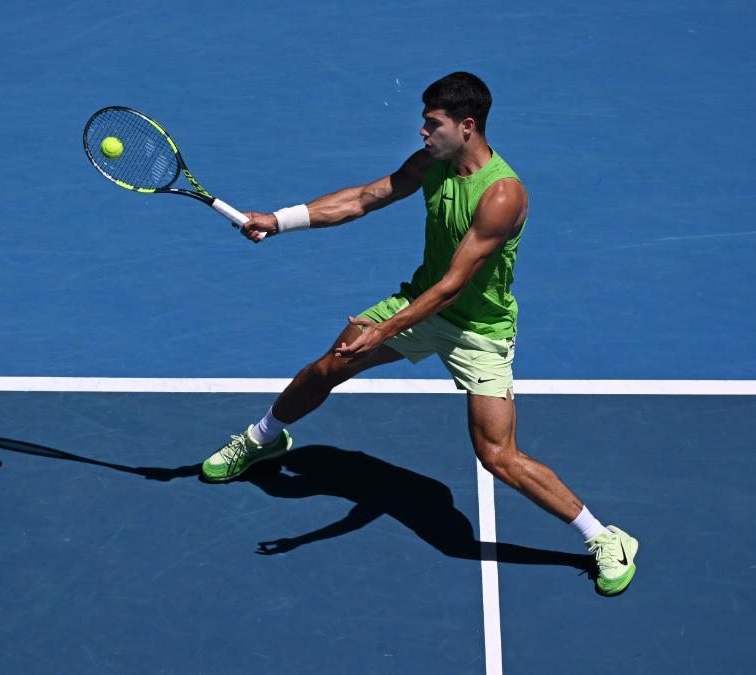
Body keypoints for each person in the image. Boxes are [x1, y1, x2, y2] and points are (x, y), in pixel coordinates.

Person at [200, 72, 638, 596]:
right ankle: (262, 440)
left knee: (497, 455)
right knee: (326, 368)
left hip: (479, 329)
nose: (423, 134)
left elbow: (454, 287)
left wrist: (380, 330)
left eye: (433, 125)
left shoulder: (502, 195)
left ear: (467, 126)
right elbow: (365, 197)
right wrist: (279, 220)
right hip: (418, 302)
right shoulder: (433, 163)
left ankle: (605, 538)